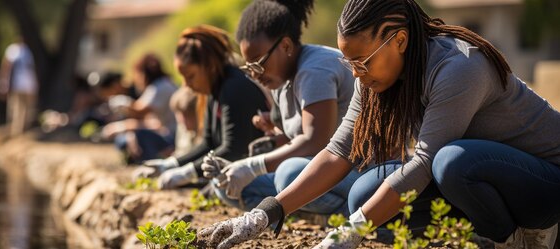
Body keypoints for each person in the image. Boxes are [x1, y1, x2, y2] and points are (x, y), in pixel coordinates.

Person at [197, 0, 560, 248]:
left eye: (362, 62)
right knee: (362, 196)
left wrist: (350, 232)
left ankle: (521, 238)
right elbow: (338, 151)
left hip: (543, 181)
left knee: (451, 161)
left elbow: (423, 163)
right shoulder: (371, 78)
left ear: (399, 40)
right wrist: (267, 212)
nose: (356, 73)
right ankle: (480, 231)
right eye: (349, 63)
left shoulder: (459, 67)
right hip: (476, 175)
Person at [201, 0, 356, 215]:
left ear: (285, 46)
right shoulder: (280, 78)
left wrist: (253, 166)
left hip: (358, 170)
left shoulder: (315, 69)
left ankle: (349, 216)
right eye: (249, 67)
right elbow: (300, 141)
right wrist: (236, 166)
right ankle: (306, 213)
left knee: (288, 174)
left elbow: (317, 141)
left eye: (258, 63)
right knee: (225, 185)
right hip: (320, 169)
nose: (254, 74)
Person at [132, 25, 269, 189]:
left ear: (209, 66)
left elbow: (234, 149)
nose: (186, 85)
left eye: (190, 76)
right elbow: (208, 144)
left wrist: (187, 173)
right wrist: (170, 164)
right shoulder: (216, 89)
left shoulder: (234, 87)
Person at [102, 54, 178, 163]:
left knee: (135, 137)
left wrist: (122, 103)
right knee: (123, 139)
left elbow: (139, 111)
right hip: (169, 135)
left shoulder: (159, 87)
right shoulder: (163, 85)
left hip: (172, 138)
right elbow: (152, 122)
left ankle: (151, 160)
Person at [0, 39, 38, 136]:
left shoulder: (27, 51)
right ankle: (15, 131)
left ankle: (24, 130)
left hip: (27, 85)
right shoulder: (12, 50)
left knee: (27, 108)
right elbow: (6, 67)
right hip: (16, 84)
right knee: (16, 107)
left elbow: (31, 69)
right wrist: (3, 83)